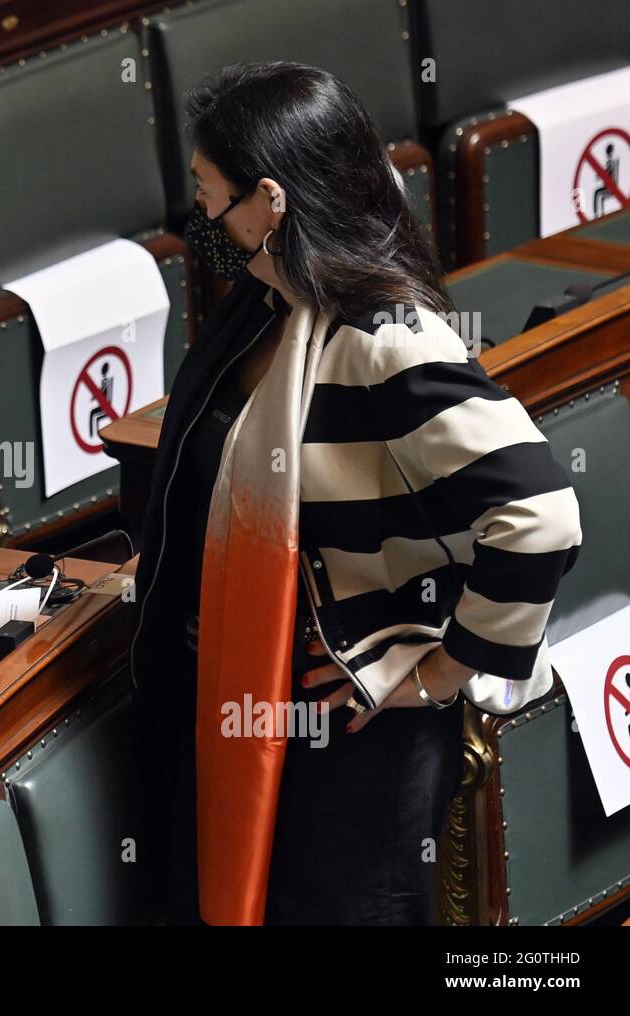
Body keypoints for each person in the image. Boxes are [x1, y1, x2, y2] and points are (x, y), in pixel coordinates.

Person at [129, 63, 582, 925]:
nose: (203, 222)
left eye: (210, 196)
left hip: (356, 731)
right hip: (257, 696)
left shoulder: (386, 338)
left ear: (269, 200)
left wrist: (444, 672)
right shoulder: (266, 307)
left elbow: (540, 518)